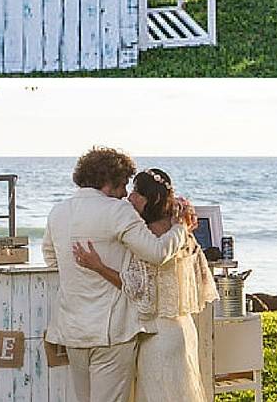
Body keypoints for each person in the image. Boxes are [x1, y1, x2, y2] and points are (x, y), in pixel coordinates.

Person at [42, 148, 188, 402]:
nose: (124, 194)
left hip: (73, 330)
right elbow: (156, 252)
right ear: (109, 182)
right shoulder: (117, 211)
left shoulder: (58, 212)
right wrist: (180, 229)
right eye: (122, 186)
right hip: (111, 333)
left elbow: (52, 259)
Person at [73, 169, 219, 402]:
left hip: (156, 336)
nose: (130, 197)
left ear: (154, 199)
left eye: (137, 193)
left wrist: (98, 266)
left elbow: (135, 287)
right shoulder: (180, 231)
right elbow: (199, 276)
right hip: (183, 329)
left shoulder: (147, 236)